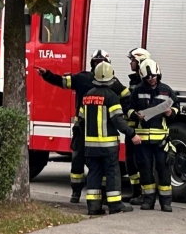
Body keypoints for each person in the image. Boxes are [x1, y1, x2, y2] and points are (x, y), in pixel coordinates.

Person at [37, 49, 127, 203]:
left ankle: (103, 194)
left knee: (102, 162)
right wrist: (47, 74)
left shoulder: (113, 82)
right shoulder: (83, 78)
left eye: (102, 62)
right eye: (97, 62)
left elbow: (126, 96)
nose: (100, 65)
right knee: (78, 160)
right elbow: (62, 82)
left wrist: (122, 113)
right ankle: (76, 193)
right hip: (83, 127)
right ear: (93, 64)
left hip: (99, 128)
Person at [81, 61, 141, 216]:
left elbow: (81, 120)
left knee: (94, 173)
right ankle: (115, 205)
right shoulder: (112, 96)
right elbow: (118, 120)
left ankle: (93, 206)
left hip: (90, 146)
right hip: (107, 146)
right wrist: (132, 134)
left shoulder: (87, 96)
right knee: (112, 173)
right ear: (110, 78)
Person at [130, 59, 180, 212]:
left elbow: (177, 107)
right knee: (145, 170)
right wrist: (134, 115)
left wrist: (171, 112)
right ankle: (148, 200)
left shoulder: (166, 90)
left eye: (154, 76)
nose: (152, 79)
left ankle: (166, 203)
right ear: (143, 77)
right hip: (143, 141)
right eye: (148, 77)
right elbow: (128, 109)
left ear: (158, 74)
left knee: (164, 170)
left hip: (161, 141)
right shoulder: (137, 90)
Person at [125, 48, 151, 195]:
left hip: (141, 130)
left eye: (133, 60)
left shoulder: (145, 83)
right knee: (130, 161)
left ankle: (143, 192)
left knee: (141, 161)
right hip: (131, 128)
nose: (130, 63)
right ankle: (136, 191)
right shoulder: (134, 81)